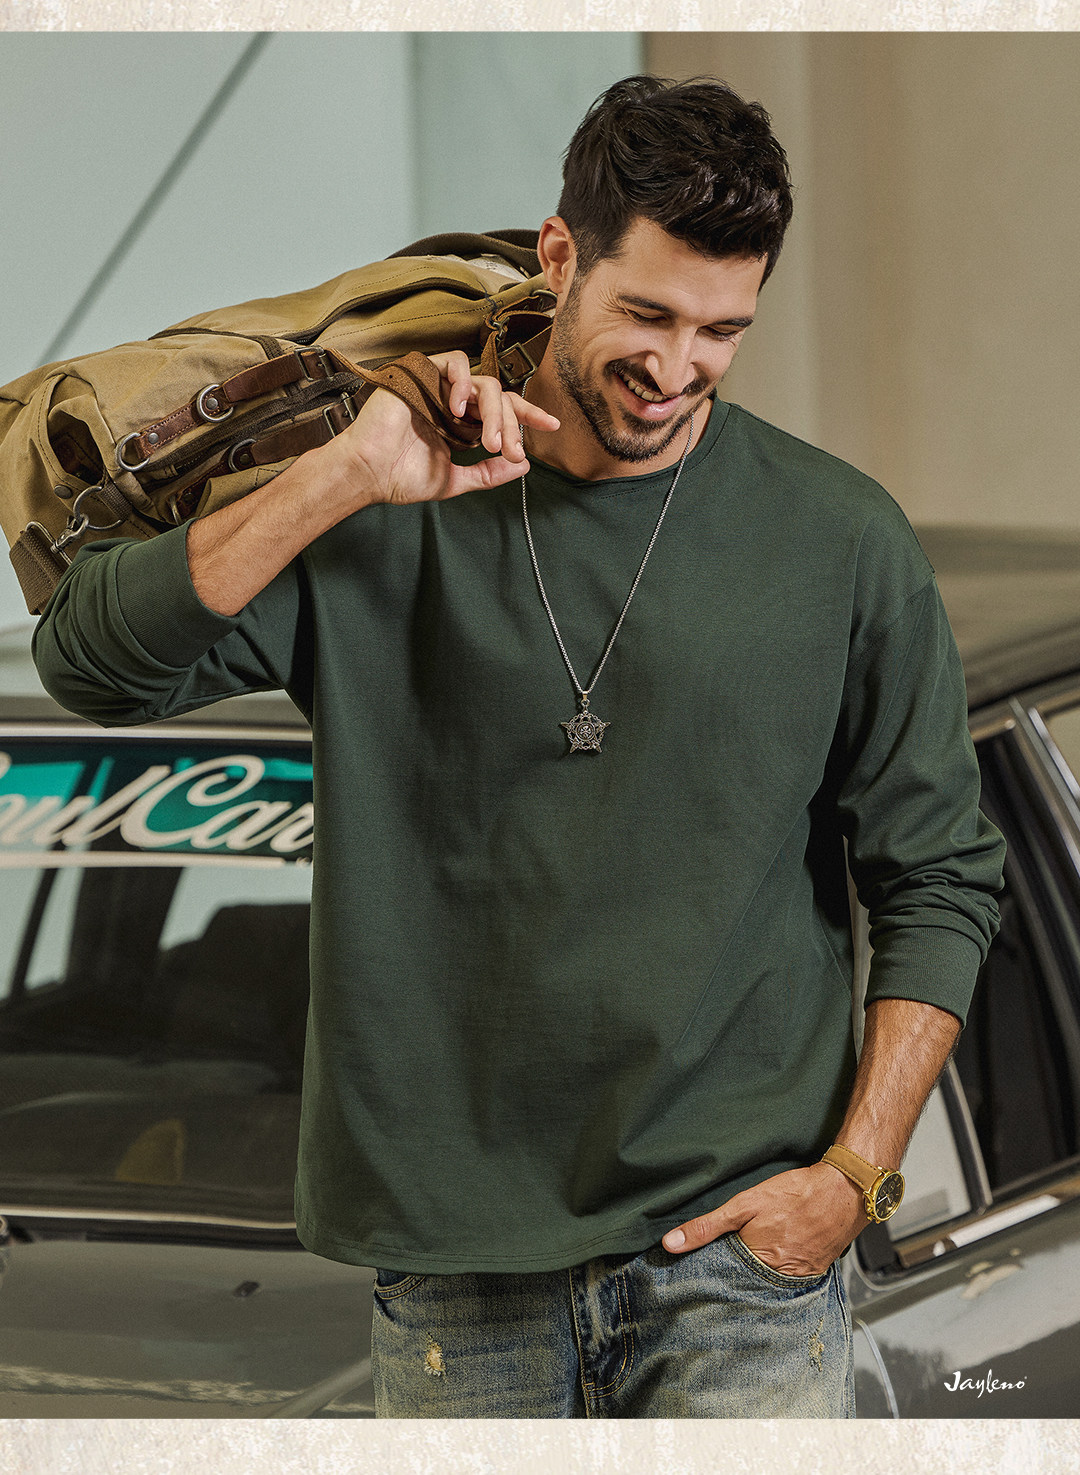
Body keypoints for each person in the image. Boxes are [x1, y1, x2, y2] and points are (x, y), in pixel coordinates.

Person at [31, 74, 1005, 1418]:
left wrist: (853, 1180)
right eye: (647, 314)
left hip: (739, 1273)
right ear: (560, 256)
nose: (677, 368)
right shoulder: (382, 511)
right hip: (453, 1282)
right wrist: (345, 473)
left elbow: (940, 874)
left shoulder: (838, 540)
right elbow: (86, 667)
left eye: (723, 330)